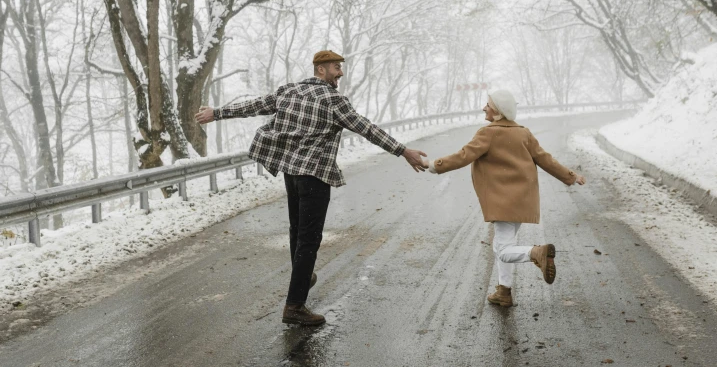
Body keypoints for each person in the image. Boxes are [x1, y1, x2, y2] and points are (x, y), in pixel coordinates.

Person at [195, 50, 428, 326]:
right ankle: (294, 306)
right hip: (315, 176)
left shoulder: (289, 91)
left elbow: (255, 106)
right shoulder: (334, 100)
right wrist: (402, 151)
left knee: (297, 230)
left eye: (340, 67)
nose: (340, 72)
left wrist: (217, 113)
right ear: (320, 69)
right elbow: (367, 129)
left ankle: (302, 274)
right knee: (309, 240)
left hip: (292, 174)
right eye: (335, 67)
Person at [425, 89, 585, 308]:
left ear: (498, 111)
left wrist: (435, 165)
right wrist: (571, 176)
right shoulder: (524, 133)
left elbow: (464, 156)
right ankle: (503, 291)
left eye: (488, 105)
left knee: (503, 250)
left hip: (502, 201)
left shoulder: (488, 133)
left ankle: (536, 253)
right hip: (522, 200)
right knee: (503, 245)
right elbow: (546, 160)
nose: (484, 108)